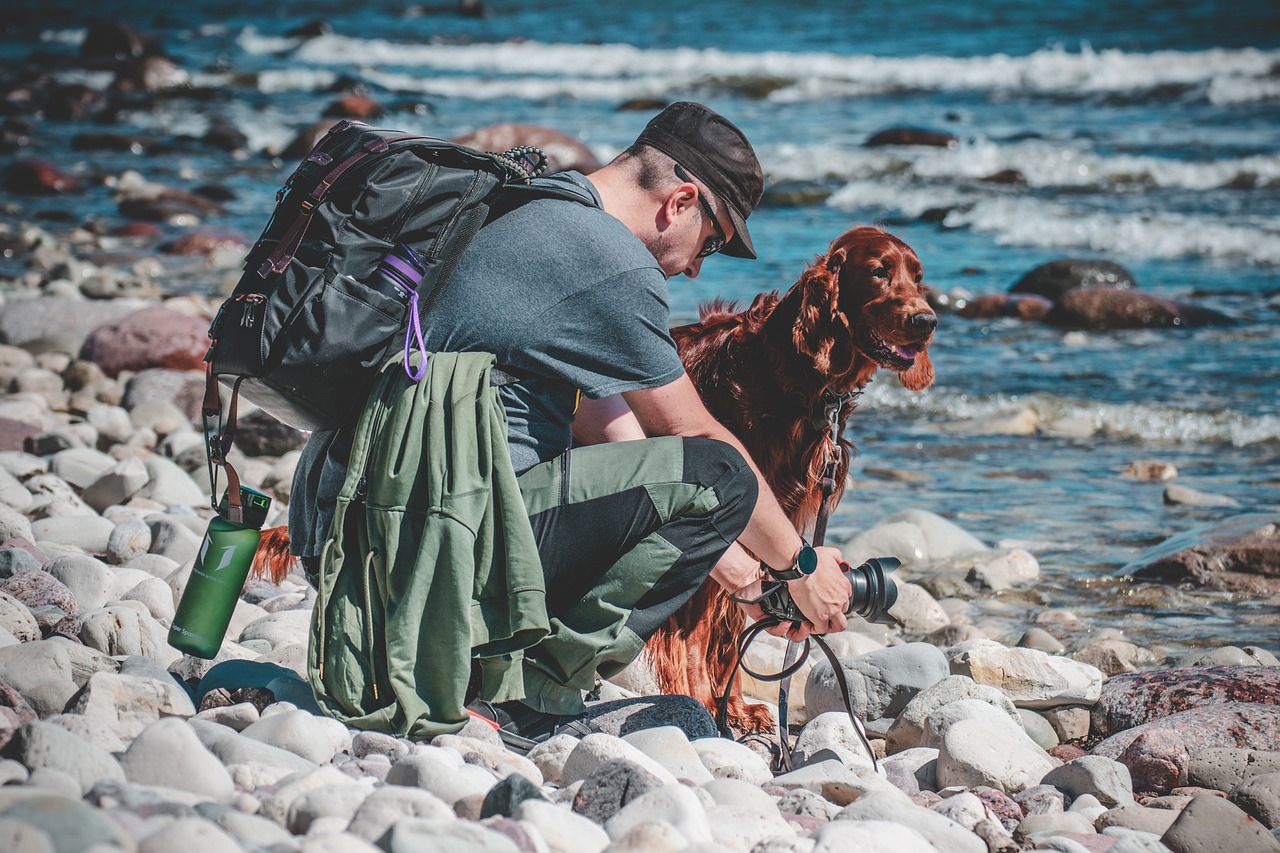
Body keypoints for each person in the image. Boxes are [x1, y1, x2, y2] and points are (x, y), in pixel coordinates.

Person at [290, 101, 853, 746]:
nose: (700, 265)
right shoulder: (610, 259)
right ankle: (521, 698)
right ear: (680, 201)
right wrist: (802, 566)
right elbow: (696, 441)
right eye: (715, 239)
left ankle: (472, 658)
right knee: (722, 476)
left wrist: (742, 570)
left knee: (699, 488)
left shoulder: (527, 204)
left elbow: (610, 428)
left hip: (349, 528)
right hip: (418, 546)